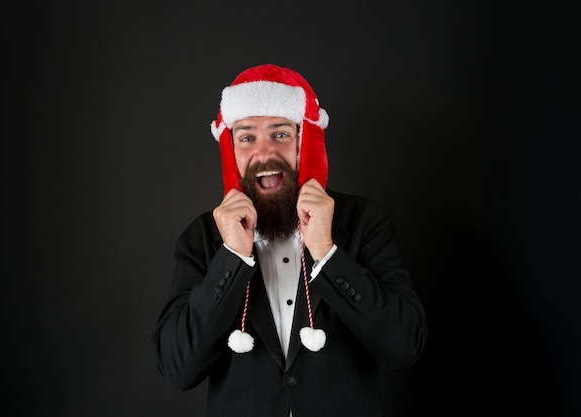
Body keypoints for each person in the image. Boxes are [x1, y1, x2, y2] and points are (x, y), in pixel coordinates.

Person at [152, 63, 427, 417]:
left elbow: (404, 347)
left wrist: (327, 253)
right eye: (247, 137)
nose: (264, 153)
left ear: (306, 143)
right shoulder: (201, 239)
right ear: (230, 150)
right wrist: (232, 257)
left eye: (281, 134)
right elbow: (178, 369)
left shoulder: (366, 222)